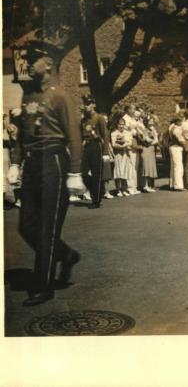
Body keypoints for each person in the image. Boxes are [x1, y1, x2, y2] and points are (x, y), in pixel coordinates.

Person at [7, 39, 85, 306]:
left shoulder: (60, 95)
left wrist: (75, 172)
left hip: (54, 160)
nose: (28, 62)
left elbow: (74, 135)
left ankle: (43, 285)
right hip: (32, 161)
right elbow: (21, 133)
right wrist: (15, 163)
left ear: (48, 62)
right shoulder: (28, 94)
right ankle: (66, 255)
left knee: (47, 227)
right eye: (27, 58)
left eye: (33, 58)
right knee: (26, 225)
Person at [80, 95, 109, 209]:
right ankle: (97, 190)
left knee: (96, 174)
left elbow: (105, 135)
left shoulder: (99, 118)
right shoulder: (83, 119)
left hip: (96, 146)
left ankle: (96, 200)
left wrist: (105, 152)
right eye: (85, 104)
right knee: (83, 173)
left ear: (93, 105)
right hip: (86, 147)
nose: (86, 106)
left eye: (88, 104)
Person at [111, 118, 133, 196]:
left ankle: (124, 189)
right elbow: (114, 144)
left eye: (123, 124)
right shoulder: (114, 133)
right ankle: (118, 189)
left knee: (125, 171)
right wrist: (121, 146)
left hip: (125, 154)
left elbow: (130, 142)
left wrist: (125, 144)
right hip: (118, 154)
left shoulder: (127, 133)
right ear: (117, 125)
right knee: (118, 171)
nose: (121, 126)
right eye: (120, 124)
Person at [141, 115, 159, 192]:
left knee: (151, 167)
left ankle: (150, 185)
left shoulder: (153, 130)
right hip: (146, 150)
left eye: (152, 120)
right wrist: (153, 140)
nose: (152, 122)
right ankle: (145, 185)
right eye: (150, 120)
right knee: (146, 167)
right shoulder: (144, 130)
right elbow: (147, 140)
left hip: (151, 150)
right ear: (146, 122)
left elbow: (157, 141)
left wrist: (153, 140)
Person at [168, 115, 186, 191]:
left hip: (172, 147)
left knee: (173, 166)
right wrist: (185, 143)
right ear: (177, 121)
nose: (182, 122)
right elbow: (181, 140)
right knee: (178, 167)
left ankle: (172, 184)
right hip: (176, 147)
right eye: (181, 121)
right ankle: (178, 185)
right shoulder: (176, 129)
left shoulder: (172, 127)